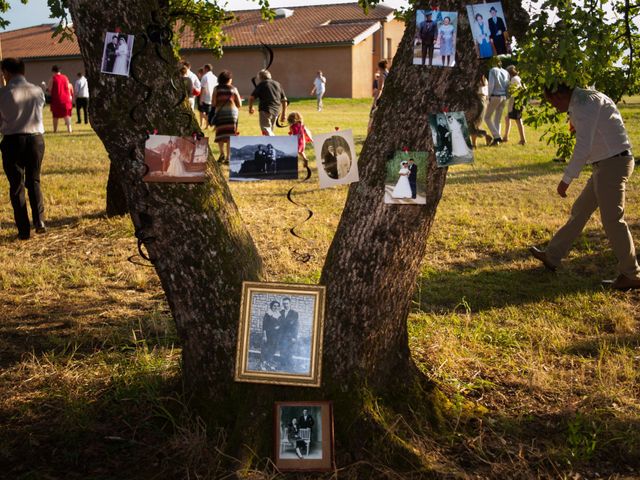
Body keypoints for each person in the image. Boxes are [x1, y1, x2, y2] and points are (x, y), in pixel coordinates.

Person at [530, 84, 639, 290]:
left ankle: (632, 273)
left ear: (560, 95)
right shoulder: (585, 99)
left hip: (612, 164)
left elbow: (583, 145)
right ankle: (552, 256)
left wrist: (567, 179)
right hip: (607, 163)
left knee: (613, 220)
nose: (553, 106)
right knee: (580, 210)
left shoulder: (584, 104)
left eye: (552, 101)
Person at [0, 58, 46, 239]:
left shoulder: (3, 93)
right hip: (36, 140)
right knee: (34, 181)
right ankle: (39, 220)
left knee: (16, 186)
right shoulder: (37, 90)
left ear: (6, 72)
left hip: (13, 140)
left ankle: (24, 230)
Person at [211, 70, 241, 164]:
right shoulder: (234, 89)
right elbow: (239, 104)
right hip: (232, 114)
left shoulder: (216, 89)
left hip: (220, 114)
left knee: (220, 134)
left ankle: (222, 154)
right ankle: (228, 158)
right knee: (230, 135)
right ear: (229, 79)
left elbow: (213, 103)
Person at [248, 69, 287, 136]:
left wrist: (250, 108)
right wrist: (283, 114)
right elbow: (284, 100)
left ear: (260, 78)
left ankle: (274, 142)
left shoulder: (262, 84)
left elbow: (251, 98)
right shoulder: (277, 84)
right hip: (276, 111)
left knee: (266, 130)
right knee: (270, 130)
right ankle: (269, 143)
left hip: (265, 110)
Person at [484, 60, 510, 145]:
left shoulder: (493, 70)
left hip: (495, 95)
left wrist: (488, 96)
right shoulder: (506, 72)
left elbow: (491, 84)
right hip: (504, 96)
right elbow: (507, 85)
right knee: (497, 119)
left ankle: (497, 137)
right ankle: (497, 141)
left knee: (487, 118)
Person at [503, 65, 526, 145]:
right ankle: (505, 137)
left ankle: (522, 140)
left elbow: (511, 91)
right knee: (507, 118)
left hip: (516, 102)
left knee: (518, 120)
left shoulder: (513, 79)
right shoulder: (518, 78)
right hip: (519, 101)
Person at [47, 65, 73, 133]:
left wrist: (46, 88)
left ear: (53, 71)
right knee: (67, 115)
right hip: (66, 99)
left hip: (57, 99)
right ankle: (69, 129)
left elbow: (49, 89)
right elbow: (68, 87)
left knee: (55, 116)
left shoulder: (53, 78)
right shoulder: (65, 77)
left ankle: (55, 130)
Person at [470, 75, 491, 148]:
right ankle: (474, 144)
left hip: (478, 101)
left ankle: (485, 134)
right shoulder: (485, 80)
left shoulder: (476, 79)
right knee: (475, 124)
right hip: (484, 101)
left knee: (473, 124)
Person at [279, 297, 299, 370]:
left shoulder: (294, 313)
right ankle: (282, 365)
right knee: (282, 350)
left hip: (290, 336)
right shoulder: (280, 312)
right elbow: (278, 323)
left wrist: (294, 336)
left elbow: (296, 326)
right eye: (284, 304)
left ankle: (289, 366)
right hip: (282, 335)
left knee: (289, 351)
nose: (285, 305)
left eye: (287, 303)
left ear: (290, 303)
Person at [261, 300, 281, 370]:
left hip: (275, 336)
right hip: (268, 335)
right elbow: (264, 326)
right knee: (266, 349)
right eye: (274, 306)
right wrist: (264, 336)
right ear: (271, 306)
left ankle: (269, 362)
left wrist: (278, 326)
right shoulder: (268, 314)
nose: (276, 307)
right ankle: (263, 363)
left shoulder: (278, 314)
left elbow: (279, 324)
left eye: (277, 306)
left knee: (272, 349)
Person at [199, 64, 218, 129]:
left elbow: (203, 88)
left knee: (203, 112)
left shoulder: (205, 77)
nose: (203, 70)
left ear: (206, 69)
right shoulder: (215, 77)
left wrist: (201, 99)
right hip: (213, 97)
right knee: (209, 112)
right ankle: (207, 126)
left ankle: (211, 123)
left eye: (204, 68)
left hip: (206, 97)